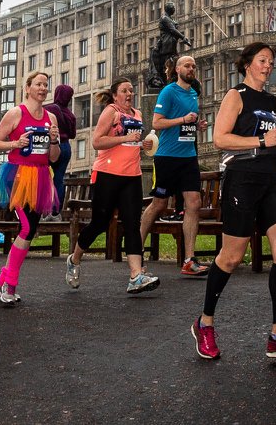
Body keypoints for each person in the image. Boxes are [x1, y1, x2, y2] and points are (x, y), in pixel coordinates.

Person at [190, 42, 276, 363]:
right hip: (242, 177)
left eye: (271, 61)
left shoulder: (271, 100)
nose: (268, 66)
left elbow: (275, 140)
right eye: (262, 60)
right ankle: (205, 323)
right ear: (247, 65)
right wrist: (260, 141)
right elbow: (220, 138)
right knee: (231, 258)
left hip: (272, 178)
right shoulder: (236, 95)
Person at [69, 77, 159, 294]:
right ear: (115, 95)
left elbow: (132, 143)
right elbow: (97, 141)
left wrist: (143, 143)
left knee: (132, 223)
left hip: (132, 175)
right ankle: (75, 258)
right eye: (124, 91)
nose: (129, 94)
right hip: (107, 174)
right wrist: (124, 138)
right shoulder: (111, 112)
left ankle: (136, 276)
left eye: (131, 90)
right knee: (100, 223)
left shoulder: (136, 114)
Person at [0, 69, 62, 306]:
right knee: (28, 228)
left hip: (40, 176)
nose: (42, 88)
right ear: (27, 88)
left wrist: (54, 140)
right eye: (38, 84)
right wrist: (15, 143)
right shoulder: (16, 113)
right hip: (17, 175)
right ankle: (10, 284)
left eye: (45, 85)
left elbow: (54, 158)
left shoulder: (51, 118)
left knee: (30, 229)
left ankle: (2, 280)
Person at [141, 54, 209, 278]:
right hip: (167, 156)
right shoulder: (169, 91)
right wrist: (182, 120)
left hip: (188, 156)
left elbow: (187, 123)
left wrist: (197, 125)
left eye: (194, 66)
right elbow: (157, 122)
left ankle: (189, 260)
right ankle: (136, 248)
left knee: (194, 203)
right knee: (159, 204)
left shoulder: (192, 94)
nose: (191, 68)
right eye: (187, 65)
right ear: (178, 69)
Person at [47, 82, 79, 215]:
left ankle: (44, 209)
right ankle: (56, 212)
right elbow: (72, 134)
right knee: (59, 179)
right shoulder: (71, 115)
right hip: (66, 147)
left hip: (53, 144)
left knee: (45, 176)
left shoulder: (50, 109)